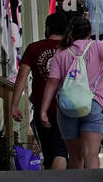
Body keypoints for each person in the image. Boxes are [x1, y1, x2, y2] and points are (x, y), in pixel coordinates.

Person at [39, 16, 103, 170]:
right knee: (91, 154)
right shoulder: (99, 46)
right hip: (95, 103)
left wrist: (44, 110)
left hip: (67, 106)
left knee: (74, 156)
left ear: (71, 32)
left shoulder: (61, 52)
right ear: (90, 32)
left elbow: (53, 82)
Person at [12, 11, 68, 170]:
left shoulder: (34, 48)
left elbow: (22, 76)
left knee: (51, 152)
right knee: (61, 151)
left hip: (42, 108)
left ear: (47, 29)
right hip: (67, 107)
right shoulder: (71, 48)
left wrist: (14, 104)